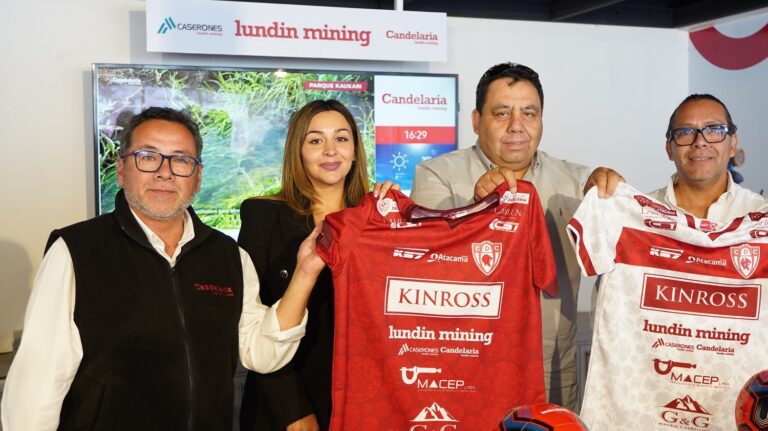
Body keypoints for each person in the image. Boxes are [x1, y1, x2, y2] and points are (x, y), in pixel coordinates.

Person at [0, 107, 325, 431]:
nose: (164, 173)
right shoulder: (75, 251)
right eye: (148, 156)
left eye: (181, 160)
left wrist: (305, 272)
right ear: (122, 169)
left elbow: (262, 353)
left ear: (197, 177)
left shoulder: (229, 256)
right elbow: (35, 389)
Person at [409, 62, 622, 409]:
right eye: (502, 113)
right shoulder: (437, 175)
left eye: (529, 113)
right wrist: (478, 209)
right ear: (476, 120)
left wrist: (614, 196)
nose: (517, 126)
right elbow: (428, 266)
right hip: (463, 362)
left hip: (552, 369)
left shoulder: (577, 183)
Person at [238, 99, 395, 431]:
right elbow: (252, 323)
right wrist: (292, 410)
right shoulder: (262, 216)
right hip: (285, 402)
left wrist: (398, 214)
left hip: (366, 400)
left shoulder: (380, 219)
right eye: (315, 140)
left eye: (341, 138)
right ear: (298, 151)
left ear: (355, 151)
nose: (330, 150)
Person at [649, 93, 764, 219]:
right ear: (669, 149)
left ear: (732, 145)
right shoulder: (641, 214)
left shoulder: (761, 213)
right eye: (685, 132)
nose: (700, 142)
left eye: (714, 130)